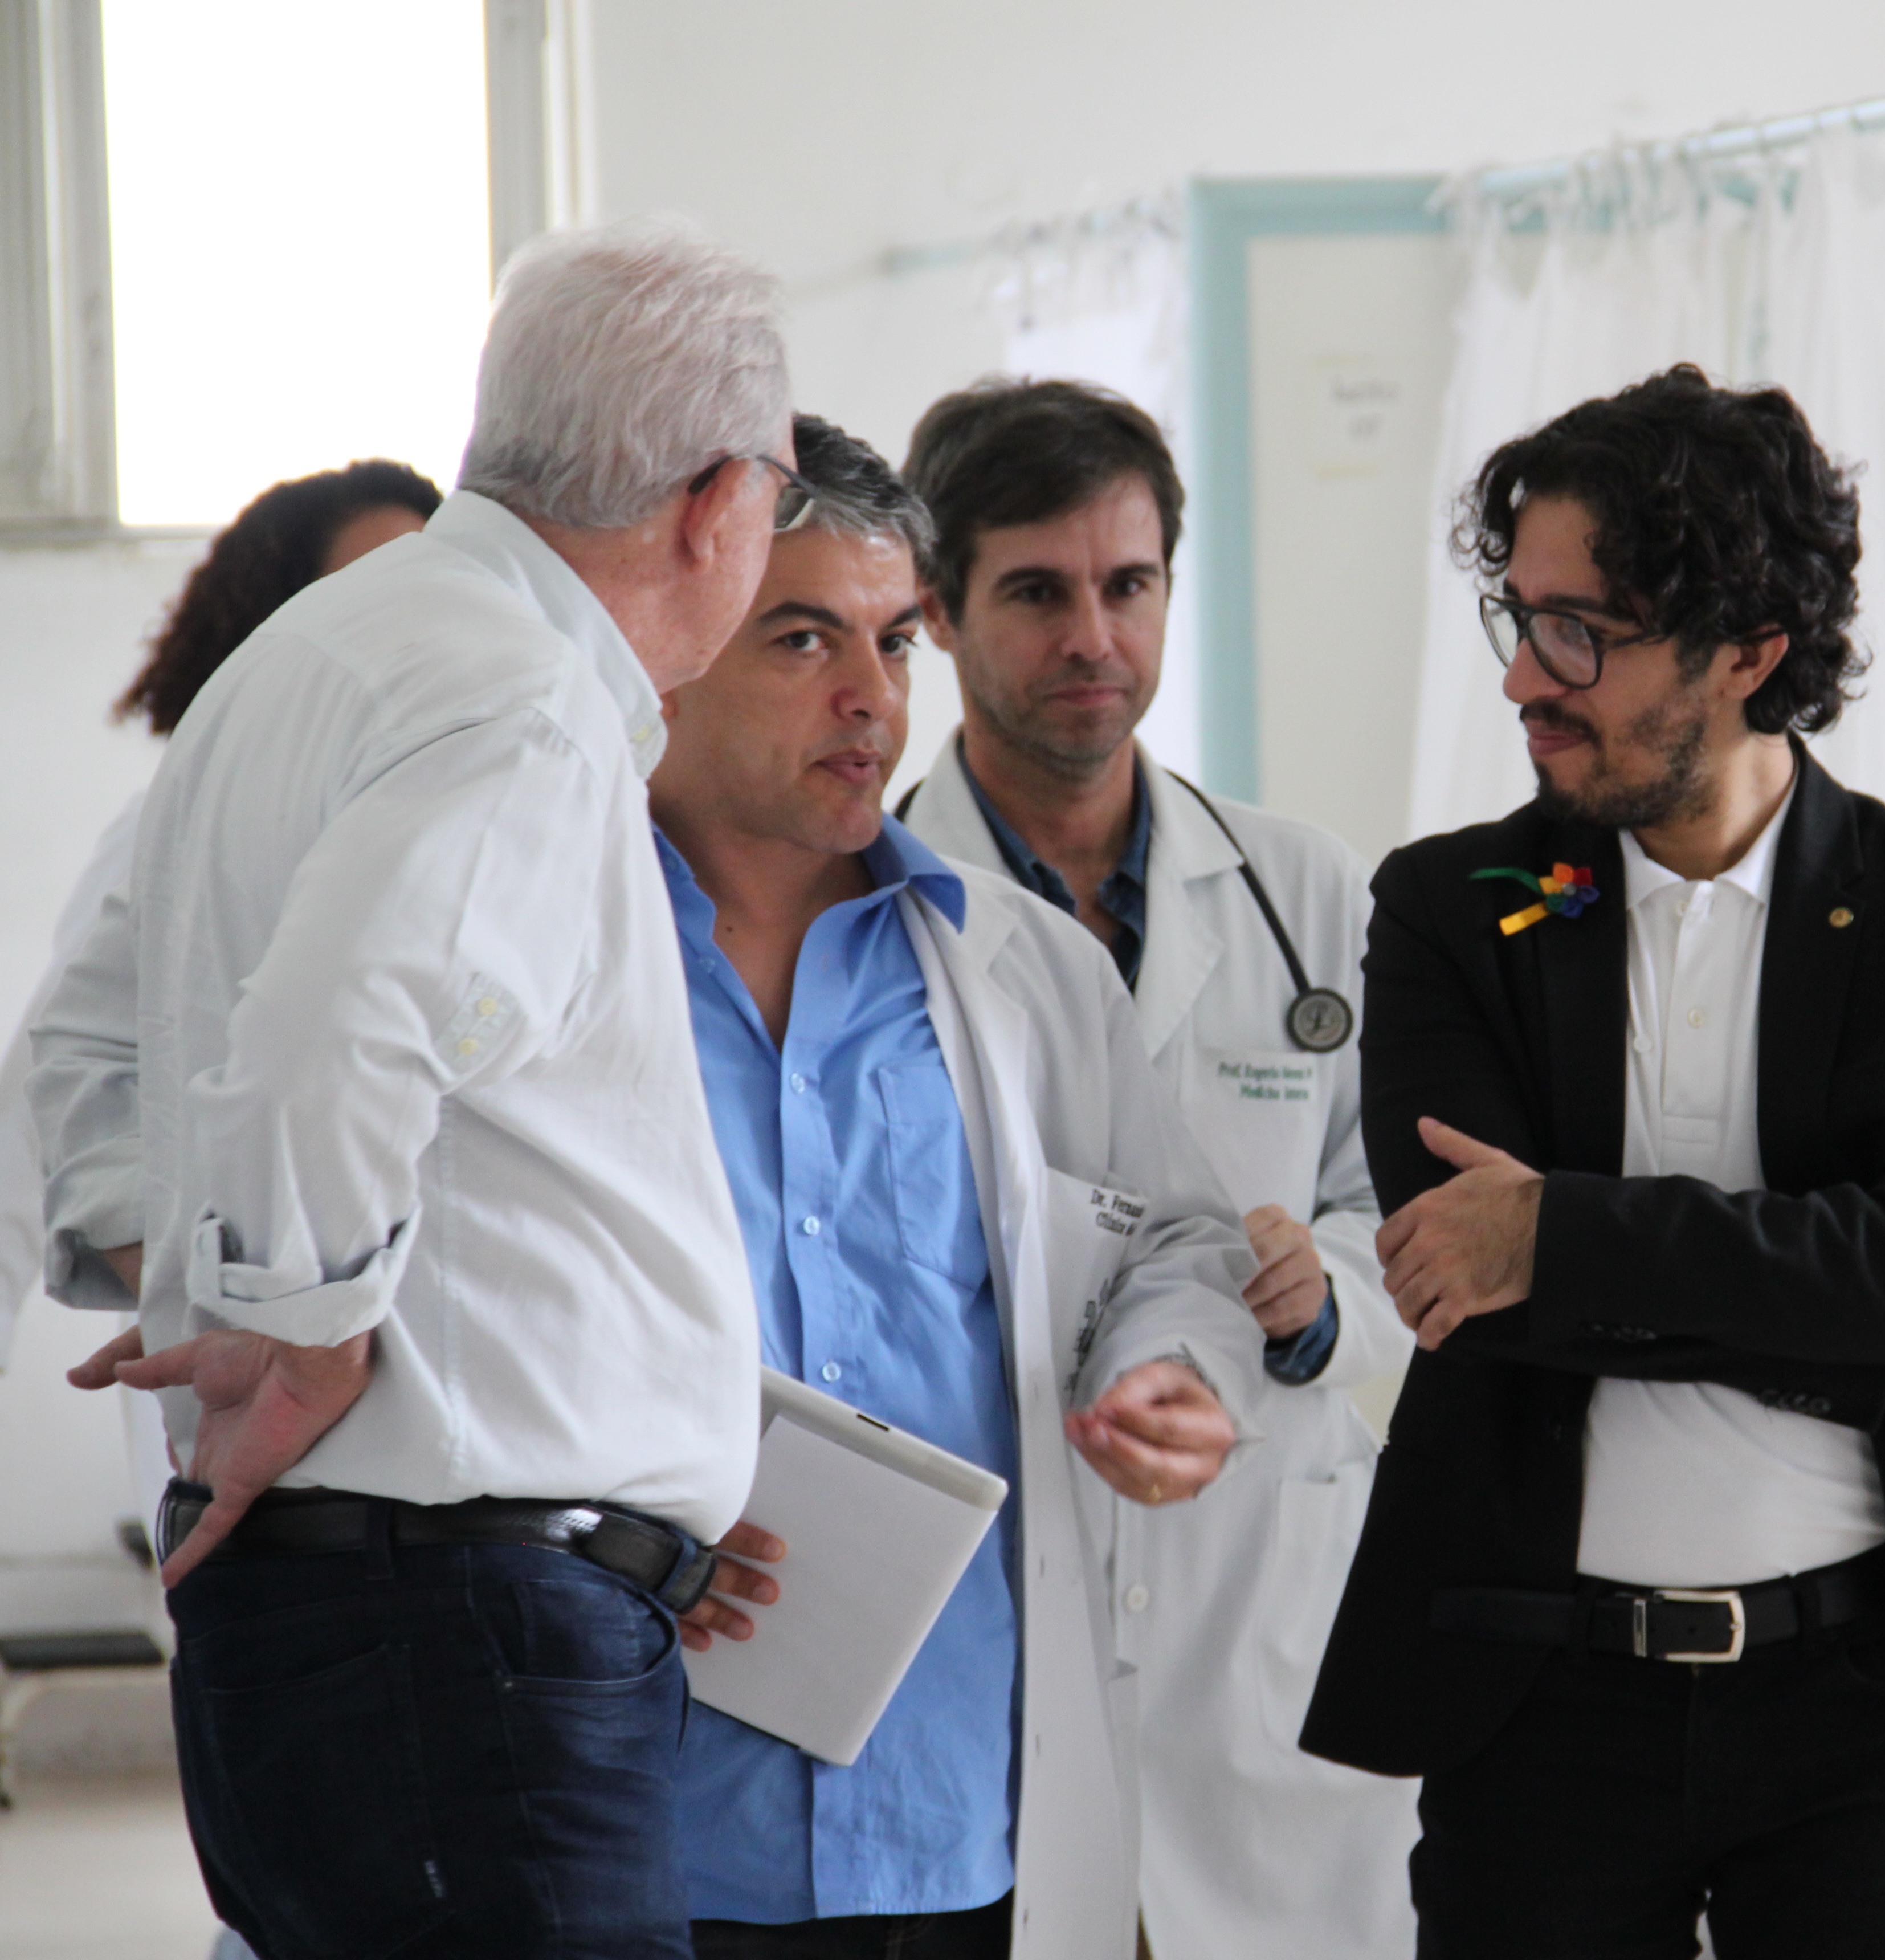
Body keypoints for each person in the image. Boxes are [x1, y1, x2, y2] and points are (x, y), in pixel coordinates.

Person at [28, 219, 794, 1960]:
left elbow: (83, 1047)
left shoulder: (311, 662)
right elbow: (342, 1027)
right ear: (713, 503)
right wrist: (298, 1330)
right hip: (465, 1632)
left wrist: (208, 1275)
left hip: (346, 1611)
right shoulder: (523, 706)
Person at [1299, 365, 1885, 1960]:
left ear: (1747, 653)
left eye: (1580, 631)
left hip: (1868, 1701)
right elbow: (1459, 1284)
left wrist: (1561, 1234)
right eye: (1520, 617)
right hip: (1537, 1694)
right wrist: (1862, 1316)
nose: (1525, 676)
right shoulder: (1449, 909)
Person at [646, 413, 1264, 1960]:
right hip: (641, 1802)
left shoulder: (1020, 970)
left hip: (945, 1820)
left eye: (897, 641)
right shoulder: (560, 962)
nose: (872, 697)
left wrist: (1167, 1366)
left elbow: (1175, 1240)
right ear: (667, 650)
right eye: (804, 638)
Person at [896, 379, 1420, 1959]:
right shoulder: (873, 909)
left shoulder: (1304, 891)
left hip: (1264, 1619)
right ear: (937, 608)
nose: (1093, 638)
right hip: (994, 1628)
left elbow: (1396, 1209)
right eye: (1036, 593)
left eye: (1128, 586)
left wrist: (1320, 1303)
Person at [0, 458, 444, 1561]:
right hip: (269, 1420)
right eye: (368, 596)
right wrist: (208, 1303)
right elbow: (59, 1091)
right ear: (271, 635)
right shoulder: (182, 824)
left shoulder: (469, 813)